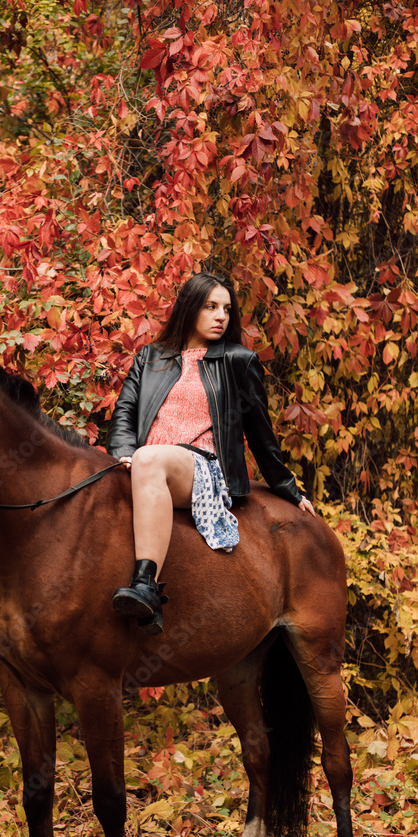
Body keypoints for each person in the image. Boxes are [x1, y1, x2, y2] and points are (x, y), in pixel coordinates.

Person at [107, 271, 315, 635]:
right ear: (189, 309)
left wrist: (289, 489)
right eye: (211, 307)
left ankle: (146, 586)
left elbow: (261, 433)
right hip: (145, 467)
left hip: (201, 469)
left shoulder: (238, 361)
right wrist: (124, 451)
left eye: (227, 309)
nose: (222, 316)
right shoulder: (151, 358)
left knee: (149, 458)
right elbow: (124, 411)